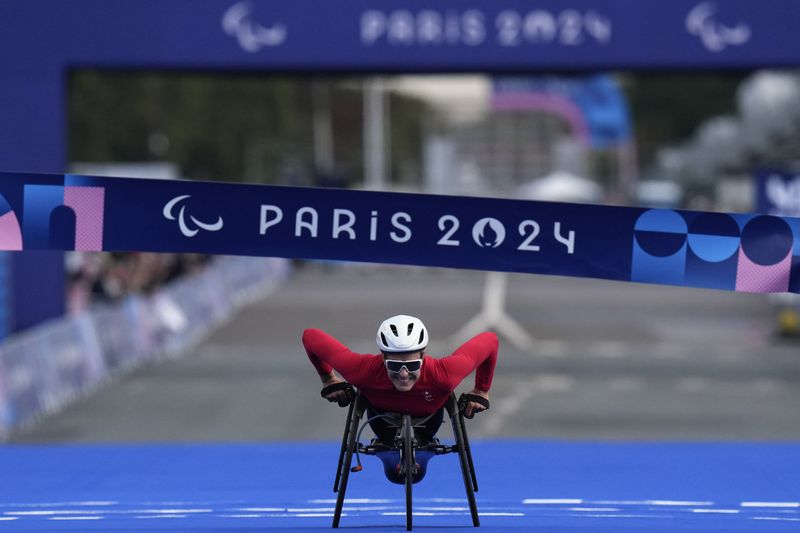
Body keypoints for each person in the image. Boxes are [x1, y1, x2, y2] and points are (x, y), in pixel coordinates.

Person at [302, 314, 498, 482]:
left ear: (423, 355)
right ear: (383, 357)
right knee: (394, 467)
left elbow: (490, 340)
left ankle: (420, 455)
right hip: (382, 422)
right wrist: (328, 379)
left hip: (428, 423)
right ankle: (389, 456)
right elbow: (309, 335)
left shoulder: (445, 373)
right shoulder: (362, 370)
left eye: (412, 365)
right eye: (395, 366)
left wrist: (481, 390)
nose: (404, 374)